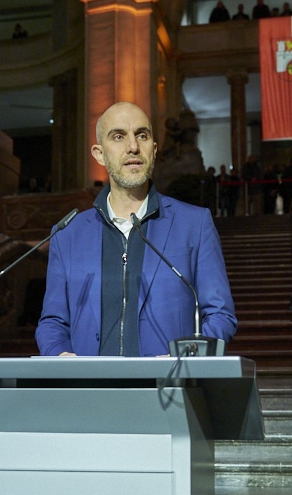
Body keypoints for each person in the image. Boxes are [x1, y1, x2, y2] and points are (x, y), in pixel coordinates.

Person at [36, 101, 237, 356]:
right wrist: (59, 357)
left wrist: (186, 357)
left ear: (153, 150)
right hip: (90, 391)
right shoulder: (68, 235)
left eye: (142, 135)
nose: (133, 147)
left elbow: (220, 315)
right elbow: (52, 322)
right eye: (118, 137)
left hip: (167, 389)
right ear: (99, 153)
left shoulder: (194, 225)